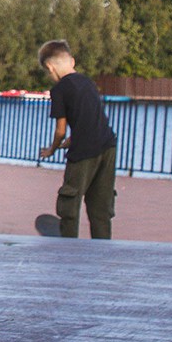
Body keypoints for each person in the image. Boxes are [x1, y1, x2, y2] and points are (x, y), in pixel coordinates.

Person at [38, 40, 117, 239]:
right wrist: (73, 139)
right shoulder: (87, 82)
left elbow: (60, 131)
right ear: (71, 61)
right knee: (101, 206)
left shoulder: (60, 90)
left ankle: (68, 247)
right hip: (107, 146)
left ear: (50, 66)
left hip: (84, 153)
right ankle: (102, 246)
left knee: (70, 205)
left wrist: (52, 149)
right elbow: (89, 118)